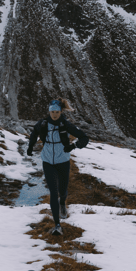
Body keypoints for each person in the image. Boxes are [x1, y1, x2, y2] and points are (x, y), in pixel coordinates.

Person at [26, 97, 89, 235]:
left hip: (63, 161)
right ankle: (57, 225)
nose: (54, 114)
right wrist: (30, 147)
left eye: (57, 112)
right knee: (53, 193)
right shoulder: (42, 124)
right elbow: (34, 134)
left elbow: (84, 138)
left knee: (63, 190)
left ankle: (62, 203)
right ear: (49, 111)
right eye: (52, 112)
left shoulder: (65, 124)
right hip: (48, 161)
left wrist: (73, 146)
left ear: (61, 112)